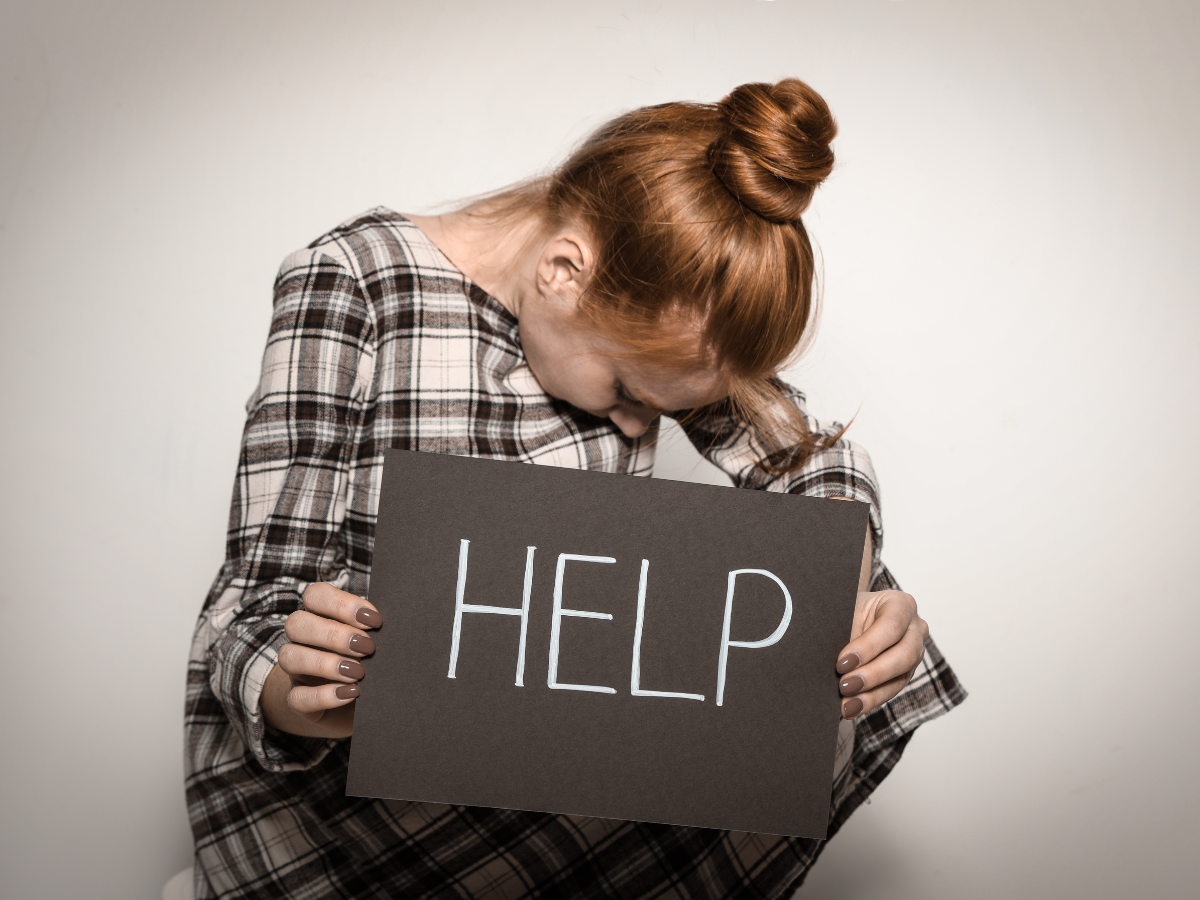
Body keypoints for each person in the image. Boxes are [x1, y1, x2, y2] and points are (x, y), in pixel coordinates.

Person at [185, 77, 965, 899]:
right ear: (564, 271)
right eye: (628, 392)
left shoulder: (672, 318)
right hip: (343, 809)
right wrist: (300, 686)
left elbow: (806, 460)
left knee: (846, 615)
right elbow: (252, 608)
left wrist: (850, 580)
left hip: (544, 787)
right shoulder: (355, 281)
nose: (639, 430)